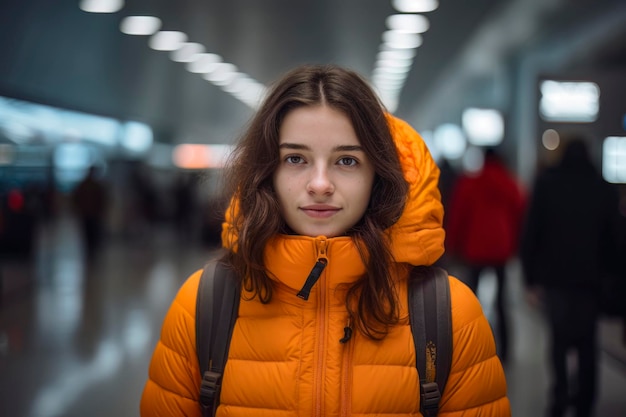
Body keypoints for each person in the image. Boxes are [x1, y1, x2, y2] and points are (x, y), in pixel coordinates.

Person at [140, 64, 510, 417]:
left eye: (347, 161)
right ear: (266, 170)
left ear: (378, 176)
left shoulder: (451, 315)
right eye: (296, 159)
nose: (320, 184)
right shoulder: (204, 305)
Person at [520, 136, 621, 417]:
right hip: (591, 281)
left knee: (559, 339)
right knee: (588, 341)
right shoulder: (602, 188)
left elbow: (531, 233)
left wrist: (530, 278)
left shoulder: (547, 185)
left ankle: (560, 393)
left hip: (556, 279)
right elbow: (616, 239)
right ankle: (585, 400)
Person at [444, 147, 526, 363]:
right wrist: (516, 246)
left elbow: (459, 214)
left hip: (475, 248)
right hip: (501, 248)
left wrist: (453, 244)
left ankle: (470, 348)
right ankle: (506, 352)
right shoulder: (510, 183)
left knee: (471, 301)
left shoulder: (471, 182)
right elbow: (521, 215)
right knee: (502, 302)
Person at [71, 165, 109, 258]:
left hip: (91, 213)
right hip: (89, 213)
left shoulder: (90, 185)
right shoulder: (92, 185)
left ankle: (92, 249)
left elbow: (102, 199)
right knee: (90, 232)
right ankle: (91, 249)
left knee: (91, 232)